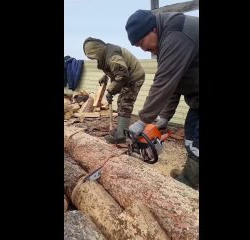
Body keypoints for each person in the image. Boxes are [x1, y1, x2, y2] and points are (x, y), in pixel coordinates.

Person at [125, 10, 199, 189]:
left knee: (197, 139)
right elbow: (175, 82)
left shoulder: (176, 35)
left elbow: (164, 81)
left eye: (141, 42)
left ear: (152, 30)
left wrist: (143, 121)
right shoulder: (165, 39)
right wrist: (164, 117)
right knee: (191, 133)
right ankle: (191, 176)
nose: (142, 49)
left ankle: (189, 185)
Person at [83, 37, 145, 144]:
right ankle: (121, 130)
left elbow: (122, 75)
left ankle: (121, 137)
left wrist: (111, 90)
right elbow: (113, 68)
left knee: (126, 103)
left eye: (93, 57)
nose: (94, 60)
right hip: (128, 76)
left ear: (97, 51)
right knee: (121, 102)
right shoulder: (107, 52)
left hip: (134, 77)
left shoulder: (112, 56)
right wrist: (105, 76)